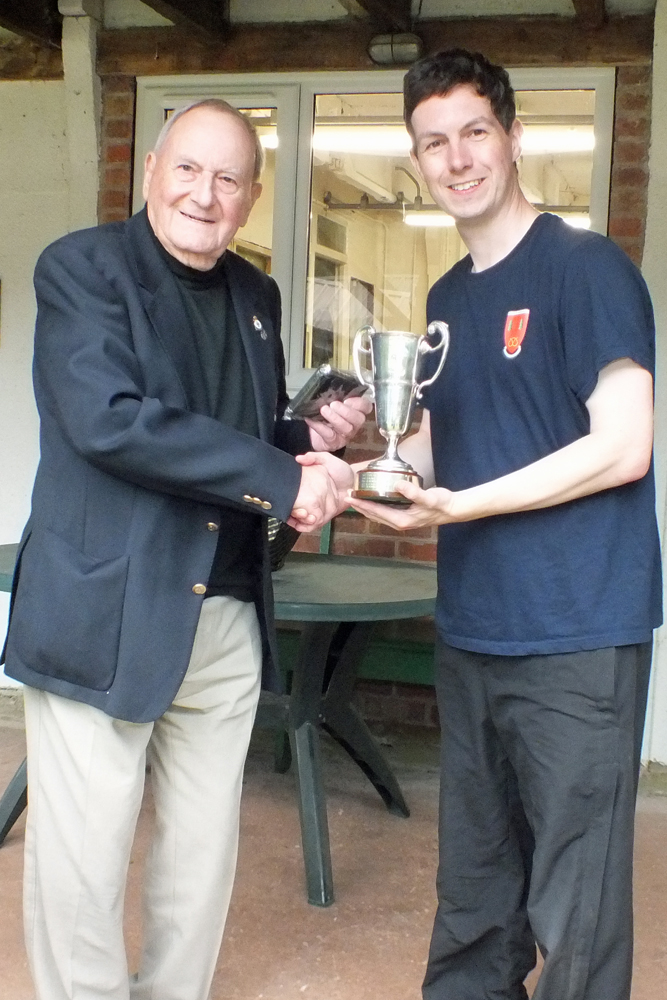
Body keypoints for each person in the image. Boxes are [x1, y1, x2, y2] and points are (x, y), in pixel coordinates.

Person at [301, 48, 662, 1000]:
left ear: (510, 137)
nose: (456, 159)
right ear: (415, 160)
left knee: (574, 903)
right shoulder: (448, 300)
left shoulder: (586, 269)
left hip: (576, 635)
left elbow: (624, 445)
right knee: (474, 890)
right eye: (433, 143)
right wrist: (347, 471)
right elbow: (432, 456)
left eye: (473, 133)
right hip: (475, 628)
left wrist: (458, 505)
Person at [0, 99, 370, 1000]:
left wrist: (302, 437)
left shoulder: (255, 296)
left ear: (250, 197)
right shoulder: (83, 269)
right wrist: (281, 479)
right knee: (82, 868)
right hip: (106, 610)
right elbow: (110, 423)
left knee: (201, 859)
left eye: (229, 179)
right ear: (154, 167)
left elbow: (229, 436)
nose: (205, 195)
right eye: (189, 170)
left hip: (226, 615)